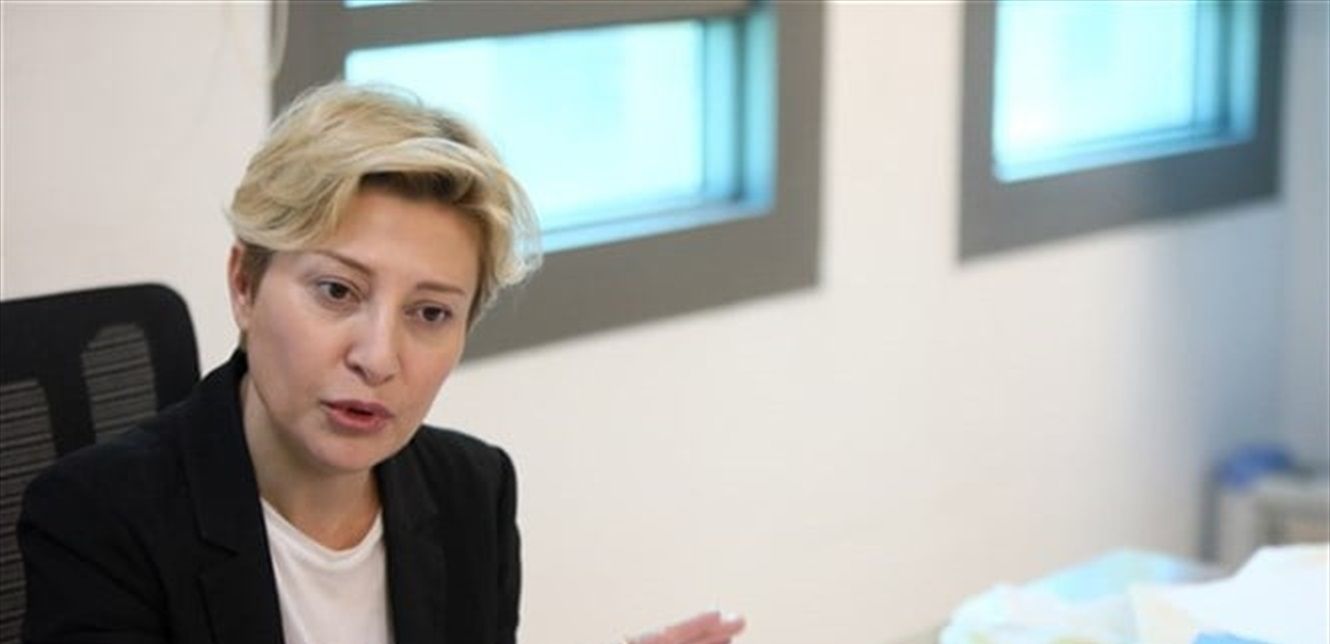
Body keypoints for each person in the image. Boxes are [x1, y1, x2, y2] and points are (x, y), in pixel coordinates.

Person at [17, 83, 745, 644]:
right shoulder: (98, 518)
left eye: (430, 313)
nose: (377, 358)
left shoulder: (471, 490)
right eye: (337, 292)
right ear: (244, 284)